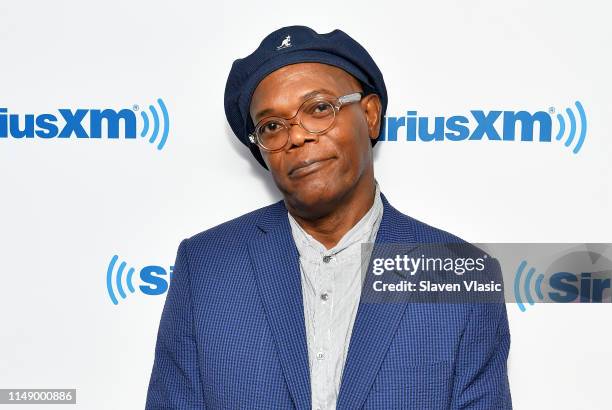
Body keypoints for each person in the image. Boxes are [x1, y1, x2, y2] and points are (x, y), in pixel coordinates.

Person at [145, 25, 512, 409]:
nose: (298, 136)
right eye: (272, 126)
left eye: (319, 108)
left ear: (370, 115)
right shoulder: (205, 267)